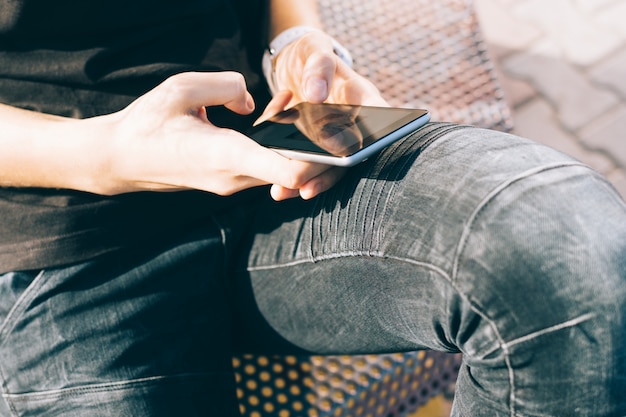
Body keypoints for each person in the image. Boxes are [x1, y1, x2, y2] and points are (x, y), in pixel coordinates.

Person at [0, 0, 624, 416]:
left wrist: (295, 40)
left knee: (567, 249)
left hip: (272, 139)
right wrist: (104, 155)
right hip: (64, 227)